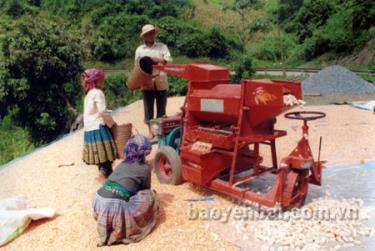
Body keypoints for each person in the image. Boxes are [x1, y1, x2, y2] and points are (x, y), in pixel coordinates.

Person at [92, 135, 158, 246]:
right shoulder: (145, 168)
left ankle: (107, 227)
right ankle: (119, 230)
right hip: (115, 205)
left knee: (120, 195)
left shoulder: (122, 164)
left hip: (98, 200)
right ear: (145, 153)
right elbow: (145, 189)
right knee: (151, 195)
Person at [135, 24, 172, 139]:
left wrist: (159, 59)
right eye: (148, 34)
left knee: (161, 110)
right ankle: (151, 133)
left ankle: (160, 133)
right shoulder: (140, 50)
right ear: (144, 36)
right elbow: (136, 66)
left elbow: (169, 60)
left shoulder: (162, 47)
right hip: (147, 83)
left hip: (161, 81)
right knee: (148, 110)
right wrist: (139, 82)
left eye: (152, 33)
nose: (150, 35)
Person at [82, 68, 117, 179]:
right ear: (96, 81)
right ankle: (102, 175)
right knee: (107, 156)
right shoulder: (98, 93)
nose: (103, 82)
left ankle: (107, 176)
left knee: (100, 156)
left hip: (89, 129)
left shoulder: (88, 94)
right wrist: (112, 123)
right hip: (99, 127)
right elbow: (102, 111)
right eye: (102, 80)